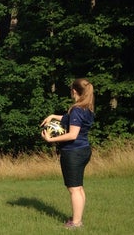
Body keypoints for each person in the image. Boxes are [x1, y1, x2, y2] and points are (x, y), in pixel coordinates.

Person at [40, 78, 95, 229]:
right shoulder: (87, 108)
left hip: (73, 153)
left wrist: (51, 139)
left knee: (74, 189)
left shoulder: (77, 109)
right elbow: (67, 119)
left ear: (74, 91)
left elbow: (72, 134)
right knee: (78, 187)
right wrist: (52, 116)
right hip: (83, 150)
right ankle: (78, 219)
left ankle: (76, 223)